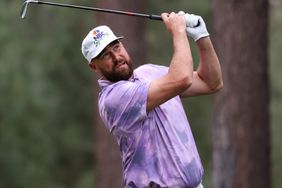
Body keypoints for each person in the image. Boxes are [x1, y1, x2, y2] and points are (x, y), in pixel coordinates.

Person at [81, 11, 223, 188]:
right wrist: (178, 32)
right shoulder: (113, 99)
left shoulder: (149, 72)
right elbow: (182, 79)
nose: (116, 57)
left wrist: (202, 37)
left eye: (116, 47)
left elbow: (210, 82)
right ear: (94, 66)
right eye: (105, 55)